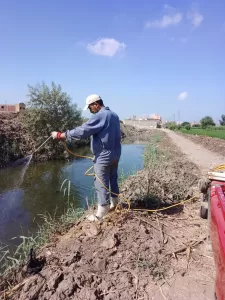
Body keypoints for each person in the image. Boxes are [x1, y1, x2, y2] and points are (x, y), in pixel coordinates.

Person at [51, 94, 121, 221]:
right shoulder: (114, 115)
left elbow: (83, 131)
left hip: (104, 155)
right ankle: (115, 203)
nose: (90, 111)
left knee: (100, 181)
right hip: (116, 153)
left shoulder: (101, 115)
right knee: (113, 178)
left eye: (90, 108)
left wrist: (62, 135)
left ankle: (102, 213)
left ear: (96, 104)